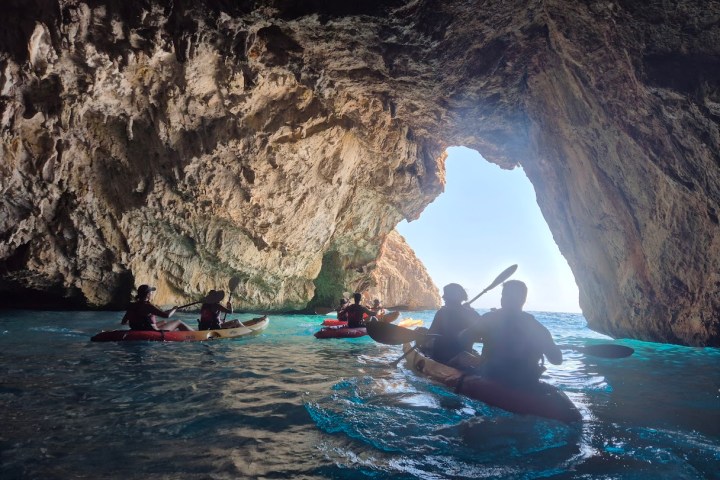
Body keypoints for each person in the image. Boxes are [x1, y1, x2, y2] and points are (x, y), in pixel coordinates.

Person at [460, 280, 563, 387]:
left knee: (460, 358)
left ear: (503, 299)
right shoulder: (537, 327)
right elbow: (557, 360)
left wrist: (469, 314)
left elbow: (463, 338)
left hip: (492, 376)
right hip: (526, 381)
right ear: (523, 300)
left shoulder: (489, 319)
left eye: (504, 295)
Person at [424, 283, 482, 364]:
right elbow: (480, 337)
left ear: (453, 296)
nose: (443, 297)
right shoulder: (473, 314)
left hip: (441, 358)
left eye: (446, 294)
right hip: (464, 359)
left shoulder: (442, 313)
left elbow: (430, 334)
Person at [121, 284, 193, 331]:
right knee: (178, 322)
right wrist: (174, 309)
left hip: (138, 329)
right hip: (151, 330)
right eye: (151, 292)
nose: (152, 294)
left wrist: (138, 322)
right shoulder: (148, 306)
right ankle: (197, 334)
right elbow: (167, 315)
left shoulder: (132, 305)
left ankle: (170, 331)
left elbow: (123, 322)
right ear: (148, 295)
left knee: (164, 322)